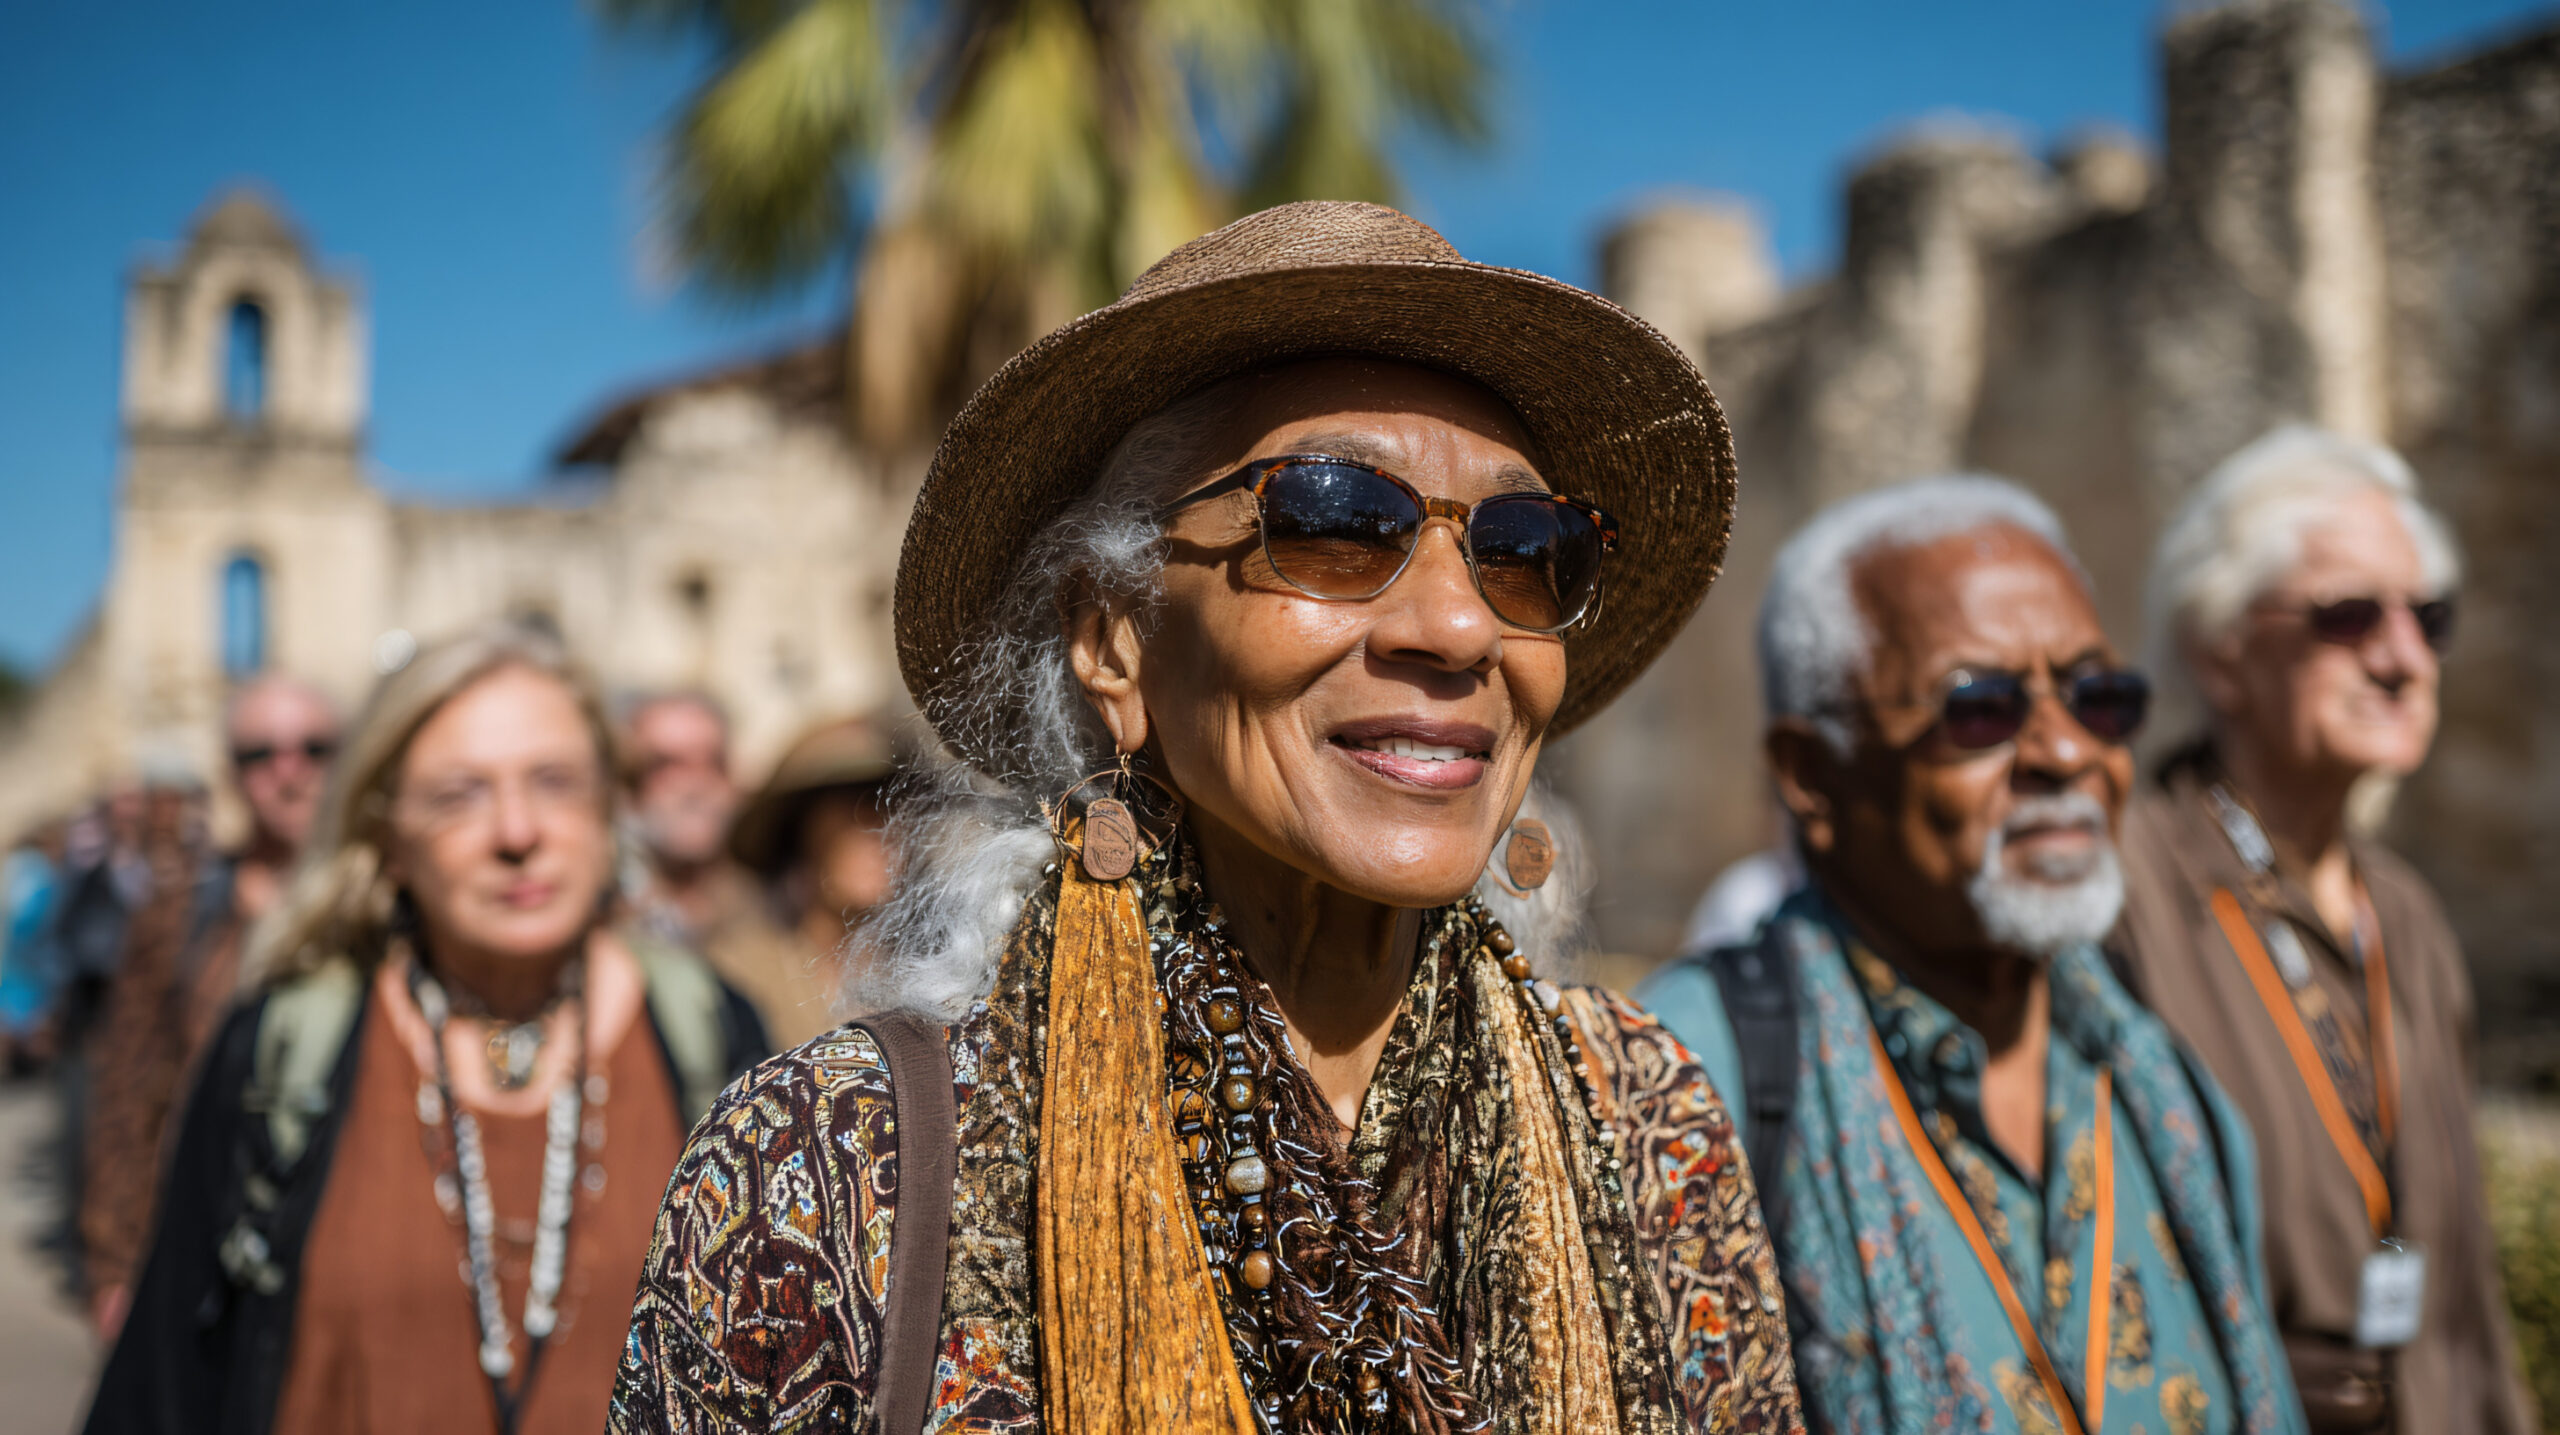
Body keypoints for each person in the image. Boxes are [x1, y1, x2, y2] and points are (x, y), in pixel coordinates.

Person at [610, 200, 1804, 1432]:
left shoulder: (1647, 1113)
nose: (1457, 628)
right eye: (1336, 522)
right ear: (1115, 639)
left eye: (1521, 547)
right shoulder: (839, 1165)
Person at [1640, 476, 2301, 1435]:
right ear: (1813, 775)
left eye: (2099, 698)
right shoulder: (1678, 1093)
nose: (2065, 751)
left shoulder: (2172, 1099)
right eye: (1982, 709)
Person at [85, 623, 768, 1435]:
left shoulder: (712, 1033)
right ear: (389, 838)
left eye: (554, 781)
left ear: (608, 808)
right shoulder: (283, 1047)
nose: (518, 833)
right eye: (459, 795)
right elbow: (166, 1384)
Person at [2117, 426, 2534, 1435]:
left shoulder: (2408, 917)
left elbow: (2466, 1288)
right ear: (2221, 653)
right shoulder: (2126, 886)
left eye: (2427, 616)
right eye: (2349, 614)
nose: (2401, 657)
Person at [81, 674, 342, 1340]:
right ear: (232, 773)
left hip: (348, 1254)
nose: (289, 772)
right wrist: (114, 1264)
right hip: (204, 1249)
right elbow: (126, 1091)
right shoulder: (178, 912)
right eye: (261, 754)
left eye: (314, 748)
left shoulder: (396, 906)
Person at [618, 692, 834, 1046]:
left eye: (713, 763)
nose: (696, 784)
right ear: (628, 788)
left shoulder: (785, 910)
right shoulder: (603, 919)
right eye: (667, 765)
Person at [714, 716, 899, 1044]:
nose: (878, 827)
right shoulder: (740, 977)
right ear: (803, 832)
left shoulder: (939, 978)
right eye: (852, 807)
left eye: (890, 804)